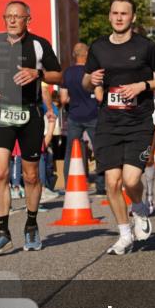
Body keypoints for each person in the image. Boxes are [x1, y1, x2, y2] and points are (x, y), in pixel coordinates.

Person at [83, 0, 155, 256]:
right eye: (114, 13)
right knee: (112, 181)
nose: (119, 17)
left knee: (131, 180)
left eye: (124, 13)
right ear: (109, 16)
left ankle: (139, 207)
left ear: (132, 18)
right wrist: (92, 80)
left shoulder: (145, 46)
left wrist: (143, 85)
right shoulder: (98, 47)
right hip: (109, 122)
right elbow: (88, 83)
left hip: (138, 122)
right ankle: (124, 234)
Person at [0, 0, 62, 254]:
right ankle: (3, 232)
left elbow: (58, 75)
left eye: (18, 16)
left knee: (31, 175)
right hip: (3, 111)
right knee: (0, 172)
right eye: (8, 16)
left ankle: (31, 225)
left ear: (29, 19)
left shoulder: (39, 44)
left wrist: (37, 73)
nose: (12, 20)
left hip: (30, 114)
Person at [59, 42, 105, 194]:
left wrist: (75, 100)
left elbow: (64, 99)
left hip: (74, 116)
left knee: (70, 152)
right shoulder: (92, 73)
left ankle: (69, 185)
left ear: (75, 55)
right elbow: (99, 96)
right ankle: (100, 185)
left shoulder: (67, 73)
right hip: (93, 114)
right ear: (87, 55)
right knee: (99, 150)